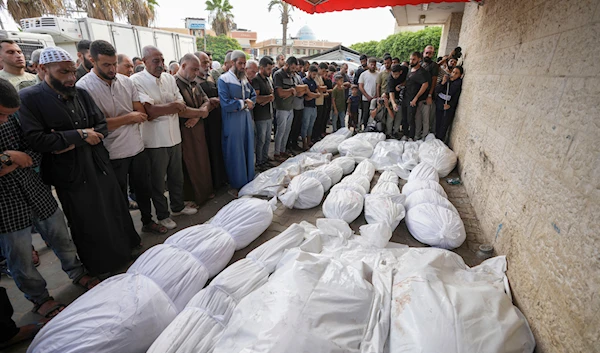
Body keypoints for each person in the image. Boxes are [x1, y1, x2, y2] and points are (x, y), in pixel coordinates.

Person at [18, 47, 141, 275]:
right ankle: (102, 266)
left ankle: (125, 252)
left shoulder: (80, 93)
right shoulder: (29, 98)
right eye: (64, 72)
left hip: (98, 164)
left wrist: (67, 139)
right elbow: (37, 139)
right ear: (44, 69)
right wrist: (82, 135)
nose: (71, 78)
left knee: (113, 210)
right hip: (70, 172)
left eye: (73, 72)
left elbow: (101, 125)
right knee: (88, 220)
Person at [1, 78, 100, 322]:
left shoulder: (15, 117)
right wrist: (9, 156)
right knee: (20, 256)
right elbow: (21, 156)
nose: (5, 120)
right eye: (1, 115)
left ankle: (77, 273)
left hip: (35, 189)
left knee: (60, 236)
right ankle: (40, 299)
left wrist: (13, 159)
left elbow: (35, 146)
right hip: (5, 203)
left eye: (8, 115)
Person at [76, 40, 166, 235]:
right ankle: (126, 233)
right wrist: (128, 118)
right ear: (92, 60)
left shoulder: (126, 81)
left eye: (113, 64)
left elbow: (140, 113)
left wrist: (117, 120)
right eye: (106, 65)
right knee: (117, 197)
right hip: (111, 152)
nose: (111, 69)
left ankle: (148, 221)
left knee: (143, 190)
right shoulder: (83, 87)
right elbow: (95, 127)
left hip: (136, 146)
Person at [131, 46, 198, 230]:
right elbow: (149, 112)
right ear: (144, 62)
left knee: (176, 176)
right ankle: (162, 215)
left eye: (162, 60)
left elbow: (181, 104)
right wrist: (172, 106)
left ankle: (177, 207)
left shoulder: (169, 78)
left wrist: (168, 106)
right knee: (158, 182)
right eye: (155, 61)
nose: (160, 64)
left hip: (174, 137)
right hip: (154, 141)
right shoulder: (136, 81)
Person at [175, 54, 214, 206]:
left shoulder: (194, 83)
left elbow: (206, 101)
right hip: (184, 131)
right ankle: (191, 198)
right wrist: (201, 112)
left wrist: (198, 116)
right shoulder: (175, 84)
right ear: (183, 66)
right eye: (194, 69)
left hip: (197, 128)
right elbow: (180, 109)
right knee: (189, 164)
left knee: (202, 161)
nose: (196, 73)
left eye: (198, 70)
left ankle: (203, 193)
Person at [217, 50, 256, 191]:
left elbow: (253, 95)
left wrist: (246, 102)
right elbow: (226, 104)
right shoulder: (224, 80)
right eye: (240, 63)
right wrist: (244, 104)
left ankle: (248, 181)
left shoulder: (244, 79)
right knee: (235, 152)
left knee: (247, 148)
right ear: (232, 63)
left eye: (244, 63)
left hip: (245, 119)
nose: (242, 66)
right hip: (232, 122)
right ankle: (237, 184)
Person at [195, 52, 227, 190]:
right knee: (209, 153)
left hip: (217, 119)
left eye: (208, 62)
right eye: (204, 62)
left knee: (218, 149)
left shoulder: (210, 77)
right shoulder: (194, 81)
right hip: (205, 123)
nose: (207, 65)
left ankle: (221, 180)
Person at [272, 56, 297, 161]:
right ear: (287, 65)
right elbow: (280, 93)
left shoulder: (291, 75)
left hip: (290, 107)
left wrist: (291, 91)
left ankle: (283, 151)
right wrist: (290, 91)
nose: (293, 70)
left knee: (287, 131)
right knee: (280, 131)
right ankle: (277, 153)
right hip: (281, 108)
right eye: (292, 68)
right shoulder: (278, 75)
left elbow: (295, 90)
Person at [252, 56, 275, 171]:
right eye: (268, 69)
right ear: (261, 68)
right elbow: (256, 99)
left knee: (266, 139)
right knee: (260, 140)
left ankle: (265, 159)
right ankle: (259, 162)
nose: (270, 71)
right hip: (260, 116)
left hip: (268, 114)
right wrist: (268, 98)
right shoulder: (256, 80)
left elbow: (270, 96)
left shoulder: (267, 80)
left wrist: (268, 98)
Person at [401, 51, 429, 141]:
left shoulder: (421, 72)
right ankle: (405, 134)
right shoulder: (410, 69)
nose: (411, 61)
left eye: (414, 59)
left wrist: (416, 98)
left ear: (419, 59)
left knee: (411, 119)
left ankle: (411, 137)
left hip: (412, 99)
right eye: (410, 59)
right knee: (404, 117)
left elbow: (425, 84)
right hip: (405, 97)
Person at [435, 66, 463, 142]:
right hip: (440, 103)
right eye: (453, 72)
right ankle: (436, 138)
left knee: (444, 125)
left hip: (448, 106)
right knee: (438, 122)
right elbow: (437, 90)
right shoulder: (445, 80)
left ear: (460, 75)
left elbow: (455, 96)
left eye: (456, 73)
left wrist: (450, 105)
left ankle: (440, 139)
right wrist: (443, 82)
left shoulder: (457, 83)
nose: (454, 74)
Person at [419, 45, 439, 138]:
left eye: (430, 53)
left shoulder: (434, 65)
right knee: (417, 118)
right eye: (427, 53)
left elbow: (434, 80)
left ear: (433, 54)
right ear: (423, 52)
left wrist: (430, 95)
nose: (428, 55)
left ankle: (425, 136)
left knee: (426, 118)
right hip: (417, 95)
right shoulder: (419, 63)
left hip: (427, 95)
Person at [301, 65, 320, 150]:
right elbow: (307, 96)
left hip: (313, 106)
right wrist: (314, 95)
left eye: (315, 74)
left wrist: (313, 95)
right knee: (305, 125)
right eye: (313, 74)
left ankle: (309, 141)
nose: (314, 76)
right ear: (309, 72)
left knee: (311, 125)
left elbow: (317, 93)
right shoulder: (304, 81)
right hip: (306, 106)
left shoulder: (313, 81)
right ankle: (304, 143)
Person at [388, 63, 409, 138]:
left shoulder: (405, 69)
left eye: (396, 74)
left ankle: (396, 131)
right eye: (393, 74)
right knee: (391, 115)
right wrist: (393, 103)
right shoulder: (390, 79)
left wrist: (402, 85)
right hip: (395, 98)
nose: (394, 76)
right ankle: (389, 132)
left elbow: (409, 79)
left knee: (400, 116)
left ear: (400, 72)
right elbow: (391, 92)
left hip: (405, 97)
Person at [358, 57, 379, 130]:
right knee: (365, 113)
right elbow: (360, 86)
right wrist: (367, 96)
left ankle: (372, 128)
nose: (373, 66)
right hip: (365, 98)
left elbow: (378, 86)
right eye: (371, 64)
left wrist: (376, 95)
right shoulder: (363, 74)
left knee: (375, 114)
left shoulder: (378, 74)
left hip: (375, 98)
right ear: (368, 64)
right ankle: (365, 128)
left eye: (374, 65)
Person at [312, 62, 331, 142]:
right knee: (316, 121)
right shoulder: (315, 77)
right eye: (323, 71)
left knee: (320, 120)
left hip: (321, 101)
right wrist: (323, 88)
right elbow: (320, 88)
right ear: (319, 69)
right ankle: (314, 137)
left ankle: (318, 135)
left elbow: (323, 87)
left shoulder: (320, 77)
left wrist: (323, 88)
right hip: (316, 102)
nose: (324, 73)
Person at [288, 62, 305, 152]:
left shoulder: (298, 76)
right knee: (292, 127)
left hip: (300, 105)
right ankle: (289, 146)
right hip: (293, 105)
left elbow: (303, 88)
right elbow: (297, 89)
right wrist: (301, 90)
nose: (296, 68)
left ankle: (295, 144)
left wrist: (302, 90)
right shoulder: (290, 77)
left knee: (298, 126)